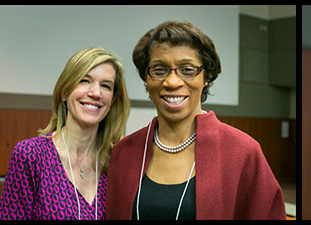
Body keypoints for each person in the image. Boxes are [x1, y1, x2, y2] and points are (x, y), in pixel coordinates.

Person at [105, 21, 285, 220]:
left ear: (206, 77)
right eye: (159, 69)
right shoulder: (124, 153)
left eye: (187, 70)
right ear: (146, 79)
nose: (172, 82)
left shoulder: (243, 152)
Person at [0, 47, 130, 220]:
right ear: (65, 92)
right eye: (84, 81)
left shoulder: (117, 163)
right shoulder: (31, 155)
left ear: (112, 100)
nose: (96, 93)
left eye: (105, 86)